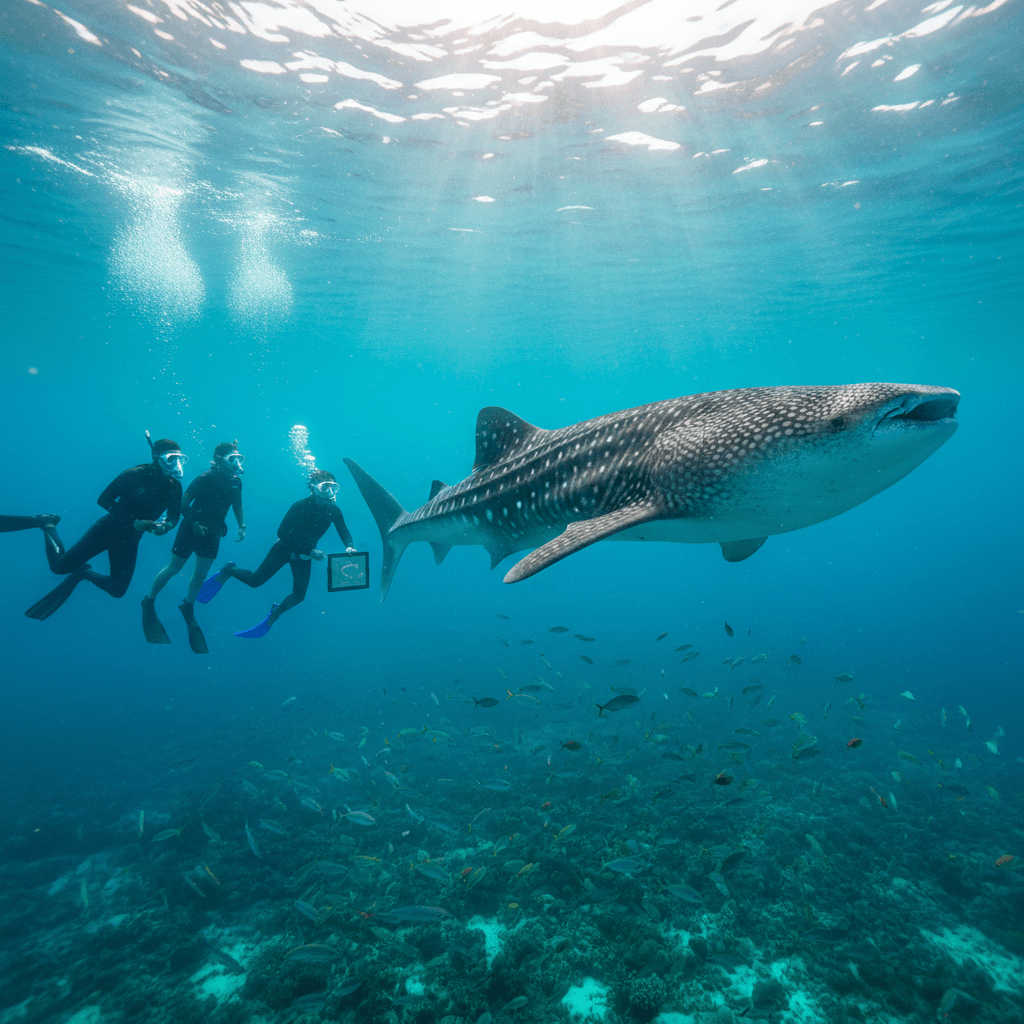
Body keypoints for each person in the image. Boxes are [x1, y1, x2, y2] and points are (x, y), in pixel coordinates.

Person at [15, 434, 185, 620]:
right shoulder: (134, 474)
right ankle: (47, 524)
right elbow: (104, 499)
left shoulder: (174, 487)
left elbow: (174, 515)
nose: (175, 464)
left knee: (117, 590)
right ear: (156, 457)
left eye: (179, 459)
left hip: (130, 539)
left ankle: (84, 573)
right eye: (171, 459)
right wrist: (133, 521)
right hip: (107, 529)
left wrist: (166, 526)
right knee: (58, 568)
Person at [197, 469, 355, 638]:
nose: (330, 491)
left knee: (299, 596)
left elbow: (343, 530)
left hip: (305, 554)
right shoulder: (301, 506)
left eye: (333, 487)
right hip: (284, 549)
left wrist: (349, 546)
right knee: (255, 582)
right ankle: (229, 570)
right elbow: (282, 532)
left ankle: (275, 613)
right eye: (325, 487)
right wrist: (309, 551)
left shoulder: (334, 511)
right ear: (313, 488)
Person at [142, 441, 246, 653]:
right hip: (190, 528)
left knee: (200, 574)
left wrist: (242, 525)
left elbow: (237, 504)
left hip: (214, 532)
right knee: (174, 568)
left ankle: (188, 605)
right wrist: (196, 523)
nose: (236, 463)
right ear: (219, 460)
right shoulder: (205, 478)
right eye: (231, 459)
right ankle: (149, 600)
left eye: (238, 459)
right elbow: (183, 503)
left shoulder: (236, 482)